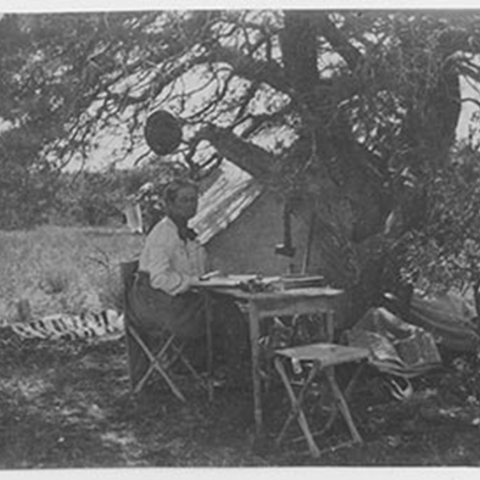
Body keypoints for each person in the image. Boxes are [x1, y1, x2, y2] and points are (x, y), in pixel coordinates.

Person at [128, 178, 248, 384]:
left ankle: (231, 369)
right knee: (226, 312)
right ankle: (237, 375)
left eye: (193, 200)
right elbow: (159, 279)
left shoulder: (189, 233)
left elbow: (196, 271)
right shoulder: (163, 234)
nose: (191, 205)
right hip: (155, 304)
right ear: (169, 204)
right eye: (184, 200)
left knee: (228, 307)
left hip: (175, 300)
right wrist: (193, 281)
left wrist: (207, 279)